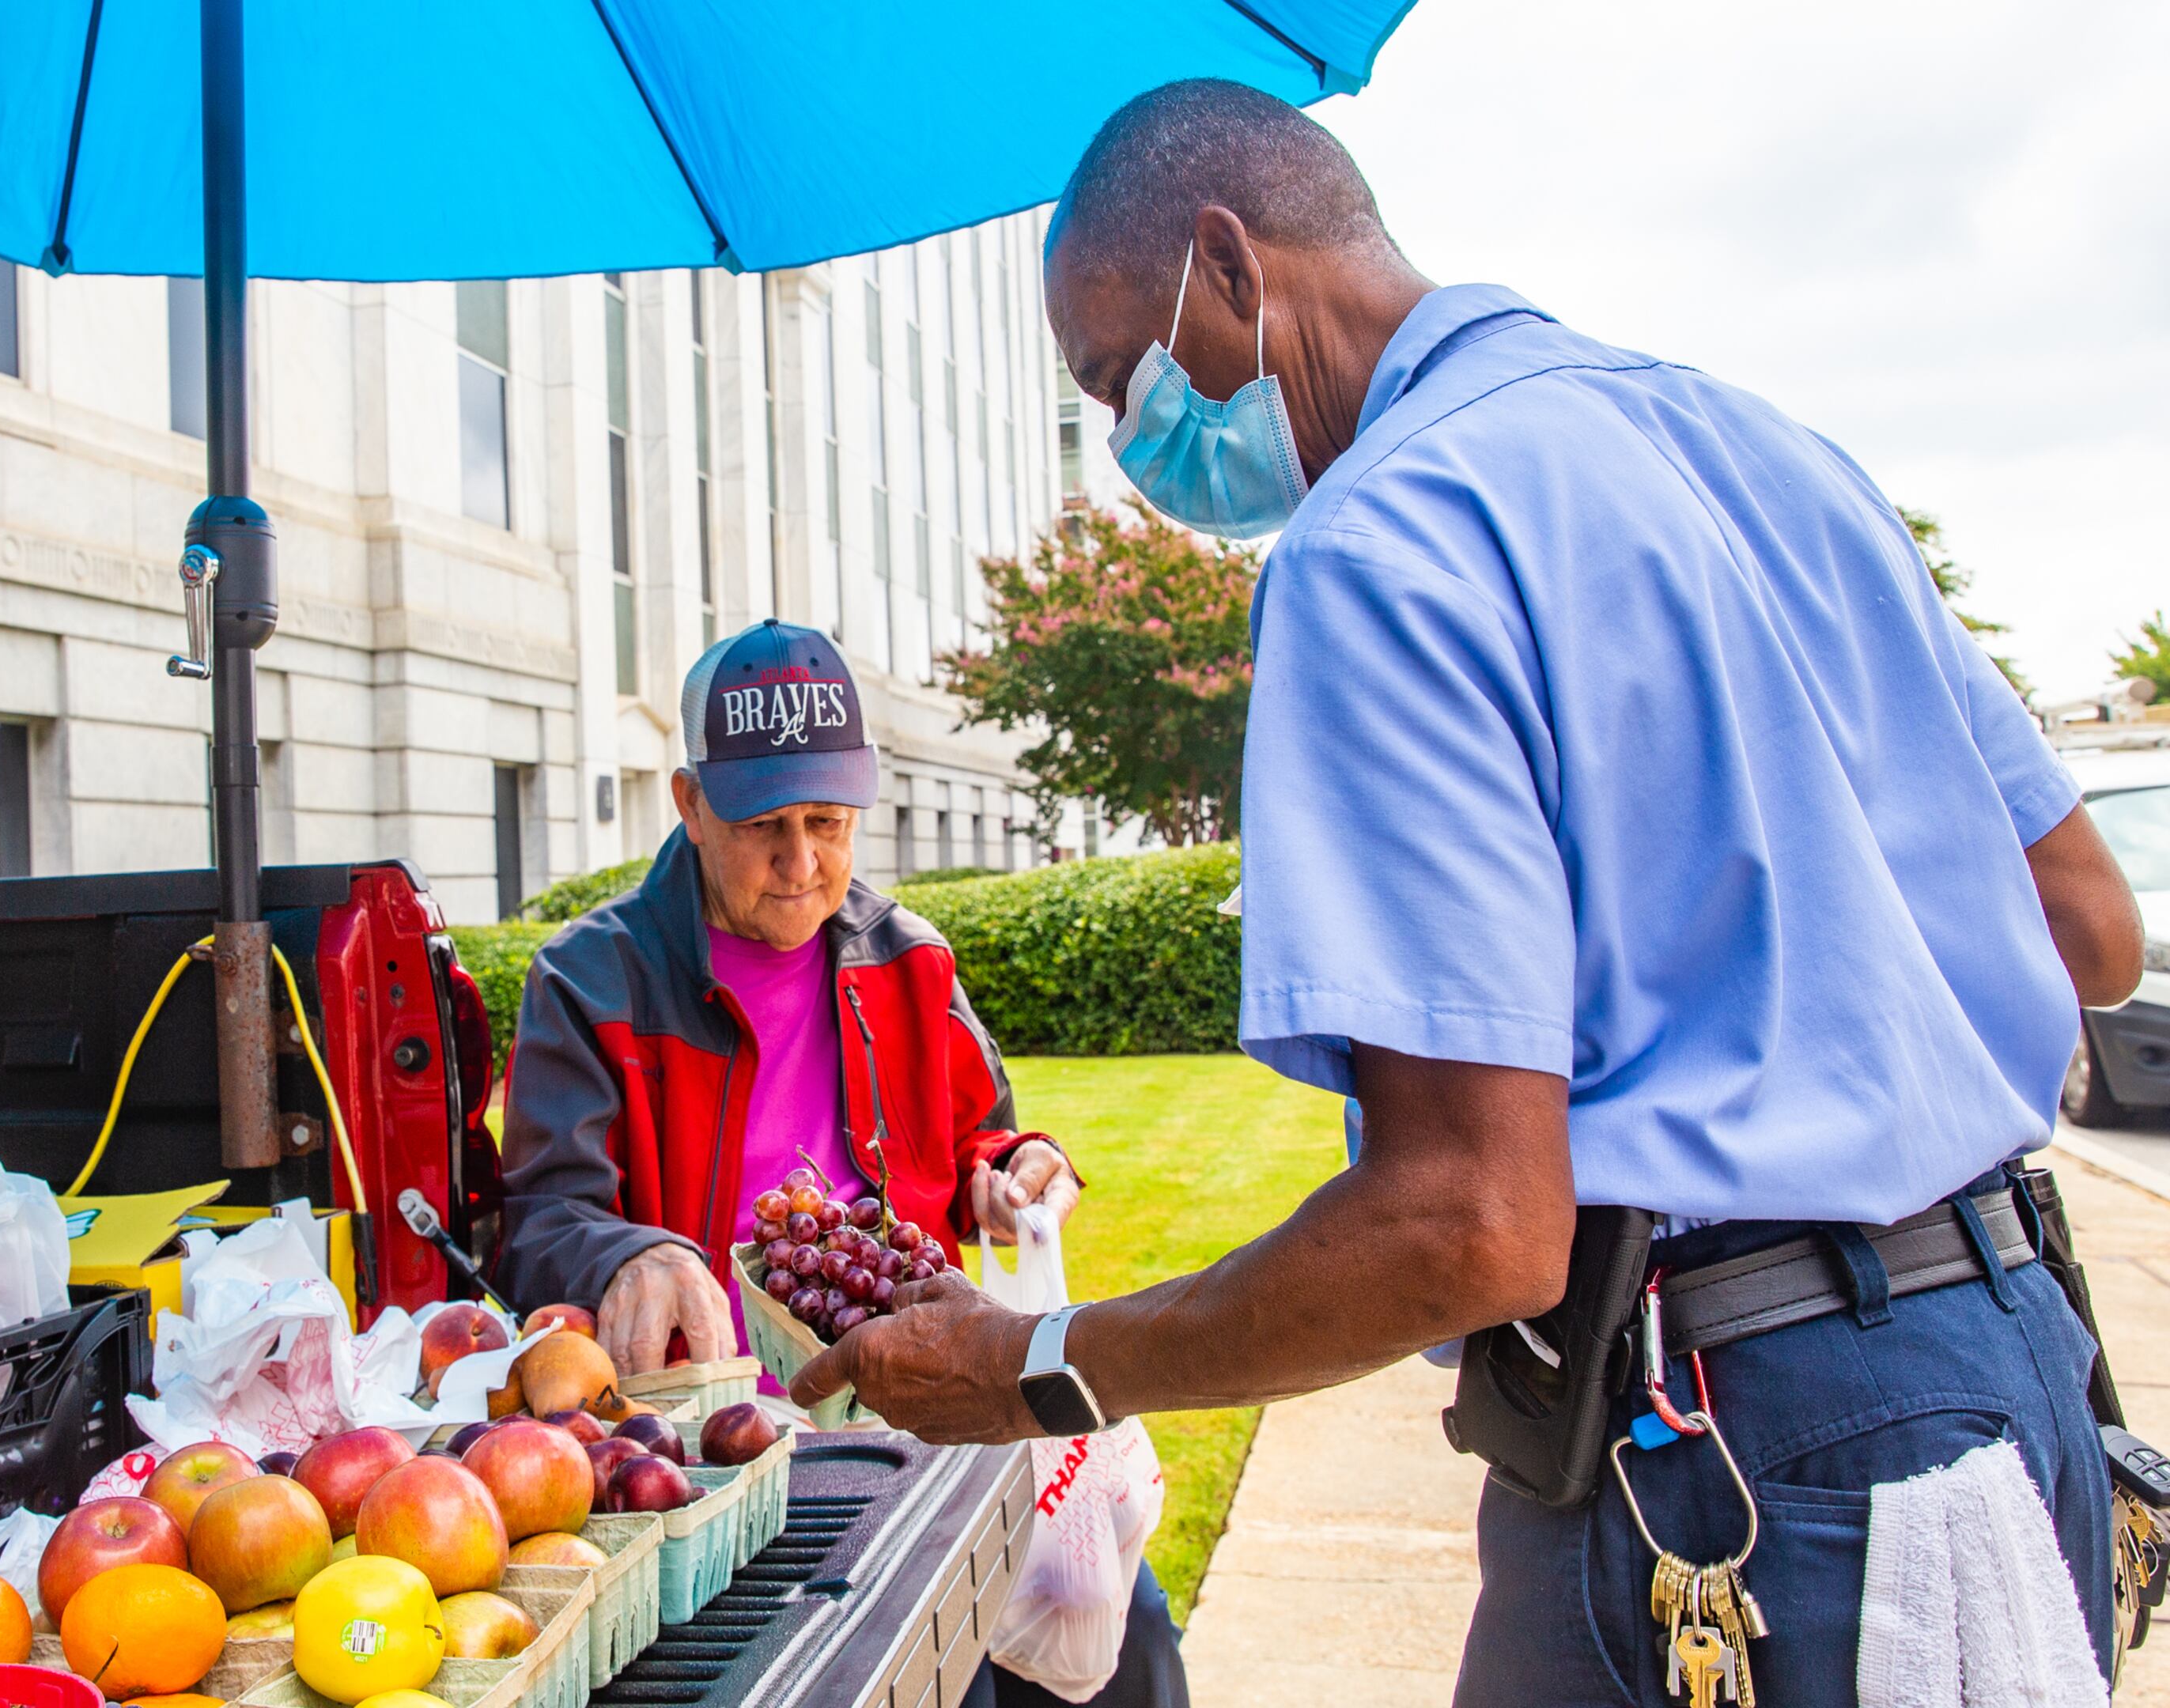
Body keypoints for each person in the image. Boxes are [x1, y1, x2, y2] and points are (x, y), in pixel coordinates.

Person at [792, 79, 2151, 1707]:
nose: (1130, 445)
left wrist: (1043, 1368)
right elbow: (2087, 929)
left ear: (1230, 265)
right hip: (2020, 1378)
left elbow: (1470, 1225)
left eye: (1120, 379)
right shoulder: (1768, 449)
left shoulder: (1384, 541)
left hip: (1750, 1465)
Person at [498, 619, 1187, 1708]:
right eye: (764, 825)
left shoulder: (908, 957)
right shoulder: (592, 982)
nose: (803, 862)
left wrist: (1014, 1169)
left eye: (829, 822)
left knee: (1125, 1637)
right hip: (715, 1461)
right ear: (687, 803)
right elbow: (540, 1220)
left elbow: (980, 1134)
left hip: (924, 1404)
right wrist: (624, 1252)